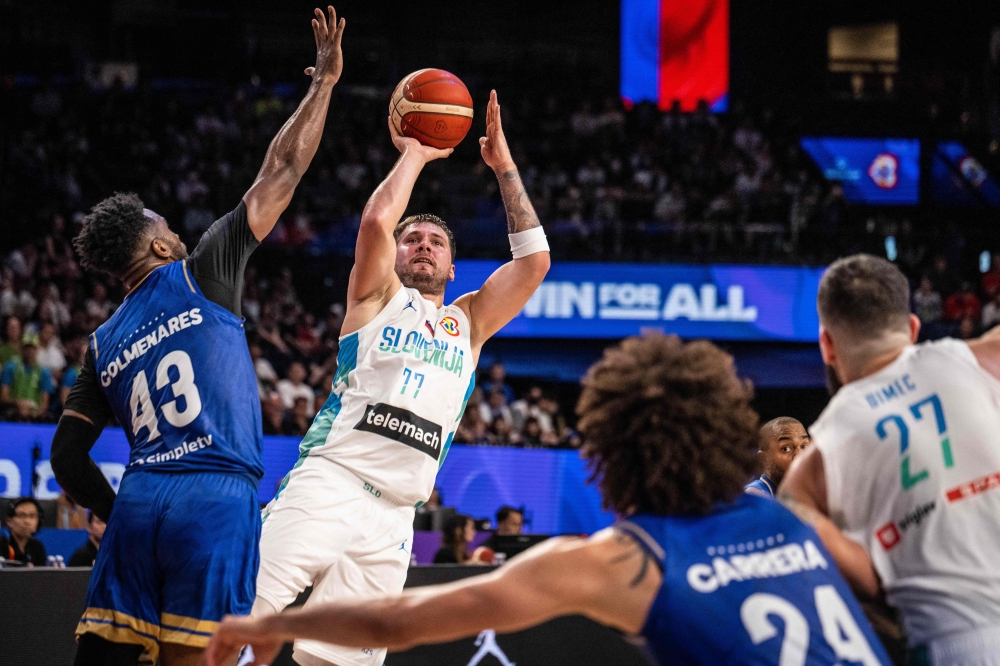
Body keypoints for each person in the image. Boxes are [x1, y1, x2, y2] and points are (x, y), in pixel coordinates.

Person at [206, 334, 890, 666]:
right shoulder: (794, 520)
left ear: (608, 459)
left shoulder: (621, 561)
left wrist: (268, 627)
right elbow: (890, 594)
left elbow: (398, 621)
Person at [47, 9, 346, 665]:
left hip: (140, 497)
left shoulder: (99, 344)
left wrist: (111, 510)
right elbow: (282, 171)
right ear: (157, 243)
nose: (175, 229)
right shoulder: (201, 269)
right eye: (165, 224)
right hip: (215, 498)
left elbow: (66, 457)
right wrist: (322, 85)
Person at [252, 89, 550, 666]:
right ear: (396, 254)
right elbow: (375, 222)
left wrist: (504, 167)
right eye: (412, 239)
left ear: (452, 266)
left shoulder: (467, 321)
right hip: (329, 482)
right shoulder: (373, 298)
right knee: (238, 624)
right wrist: (415, 151)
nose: (424, 246)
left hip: (393, 518)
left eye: (436, 242)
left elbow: (534, 262)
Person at [780, 254, 1000, 664]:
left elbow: (872, 585)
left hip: (953, 644)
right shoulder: (982, 359)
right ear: (913, 328)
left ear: (827, 345)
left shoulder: (809, 471)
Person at [745, 417, 811, 498]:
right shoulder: (755, 496)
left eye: (804, 447)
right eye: (786, 448)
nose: (800, 455)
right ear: (764, 459)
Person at [0, 333, 55, 421]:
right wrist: (17, 402)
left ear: (37, 349)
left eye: (32, 348)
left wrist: (36, 411)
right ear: (22, 349)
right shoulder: (10, 367)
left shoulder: (44, 372)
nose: (30, 351)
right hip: (14, 409)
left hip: (35, 410)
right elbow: (3, 397)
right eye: (27, 348)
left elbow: (45, 402)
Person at [0, 497, 47, 566]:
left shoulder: (37, 547)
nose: (27, 521)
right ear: (9, 521)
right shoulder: (2, 545)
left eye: (32, 516)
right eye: (21, 515)